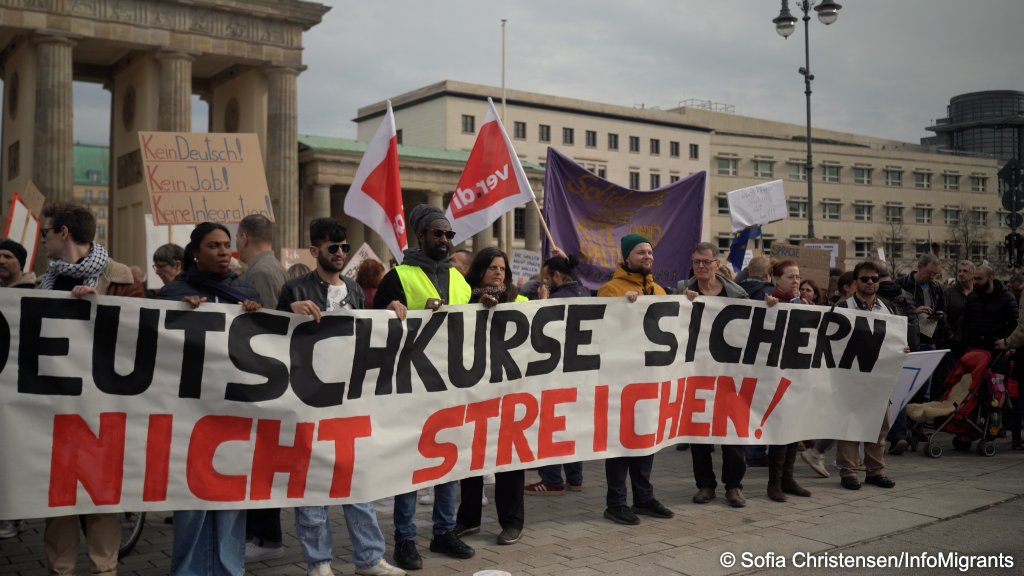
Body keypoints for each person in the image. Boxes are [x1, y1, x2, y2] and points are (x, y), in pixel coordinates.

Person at [277, 218, 406, 576]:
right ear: (315, 250)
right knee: (313, 485)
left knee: (357, 479)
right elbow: (270, 336)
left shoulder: (351, 287)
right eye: (333, 248)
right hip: (308, 400)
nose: (340, 253)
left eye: (344, 247)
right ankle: (318, 562)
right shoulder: (295, 288)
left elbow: (366, 330)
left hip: (349, 401)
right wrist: (287, 313)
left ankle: (369, 557)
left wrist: (389, 312)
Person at [38, 201, 143, 576]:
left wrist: (105, 310)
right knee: (60, 501)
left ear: (63, 232)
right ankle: (60, 570)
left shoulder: (121, 278)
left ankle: (105, 570)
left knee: (101, 499)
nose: (42, 240)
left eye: (45, 233)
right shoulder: (45, 281)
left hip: (103, 407)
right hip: (58, 407)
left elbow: (140, 343)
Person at [373, 204, 475, 571]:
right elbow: (372, 325)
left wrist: (488, 305)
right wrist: (390, 309)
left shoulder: (460, 279)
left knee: (448, 462)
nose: (445, 240)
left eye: (449, 234)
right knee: (411, 465)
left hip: (451, 386)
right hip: (412, 387)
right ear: (421, 236)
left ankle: (444, 531)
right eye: (438, 233)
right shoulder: (397, 276)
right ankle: (405, 538)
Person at [158, 222, 262, 576]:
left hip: (234, 414)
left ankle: (230, 569)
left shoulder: (245, 291)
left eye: (226, 245)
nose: (222, 252)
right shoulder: (174, 293)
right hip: (190, 416)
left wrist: (255, 313)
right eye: (213, 245)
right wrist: (178, 312)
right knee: (192, 501)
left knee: (232, 500)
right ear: (196, 251)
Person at [597, 233, 674, 525]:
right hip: (621, 383)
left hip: (651, 380)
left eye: (650, 253)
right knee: (621, 443)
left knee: (646, 439)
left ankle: (643, 498)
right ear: (627, 257)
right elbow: (603, 333)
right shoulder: (610, 290)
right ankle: (615, 503)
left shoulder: (660, 291)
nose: (647, 257)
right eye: (641, 252)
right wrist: (624, 311)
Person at [454, 247, 526, 546]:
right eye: (493, 267)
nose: (499, 272)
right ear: (480, 270)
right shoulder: (465, 299)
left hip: (508, 390)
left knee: (509, 458)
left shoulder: (520, 301)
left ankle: (512, 522)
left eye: (502, 268)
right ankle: (468, 520)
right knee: (470, 455)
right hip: (474, 390)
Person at [681, 243, 749, 508]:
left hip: (730, 374)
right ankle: (705, 485)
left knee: (732, 432)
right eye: (696, 262)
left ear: (716, 264)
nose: (700, 266)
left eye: (705, 262)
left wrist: (771, 304)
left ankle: (733, 486)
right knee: (699, 434)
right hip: (696, 374)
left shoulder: (737, 294)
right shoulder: (682, 292)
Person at [525, 252, 589, 494]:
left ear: (557, 276)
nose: (543, 283)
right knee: (571, 424)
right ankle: (575, 477)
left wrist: (541, 303)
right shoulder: (583, 292)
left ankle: (551, 479)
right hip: (578, 372)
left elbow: (542, 335)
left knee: (551, 426)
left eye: (546, 278)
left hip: (554, 372)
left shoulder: (556, 299)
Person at [835, 261, 897, 491]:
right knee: (850, 425)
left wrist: (901, 348)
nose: (870, 282)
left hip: (879, 378)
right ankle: (849, 471)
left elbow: (893, 338)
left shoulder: (886, 308)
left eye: (874, 278)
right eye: (865, 279)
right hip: (851, 377)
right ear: (856, 282)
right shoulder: (843, 307)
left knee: (879, 427)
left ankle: (875, 471)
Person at [763, 260, 812, 502]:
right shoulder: (768, 301)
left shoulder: (803, 303)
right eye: (790, 277)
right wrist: (769, 307)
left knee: (794, 428)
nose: (796, 281)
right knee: (780, 430)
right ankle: (774, 483)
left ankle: (788, 478)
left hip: (797, 373)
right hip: (774, 375)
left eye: (798, 276)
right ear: (776, 279)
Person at [0, 238, 34, 539]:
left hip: (22, 384)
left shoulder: (36, 293)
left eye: (7, 255)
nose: (0, 260)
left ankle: (14, 514)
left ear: (20, 262)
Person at [237, 214, 289, 309]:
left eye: (237, 237)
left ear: (244, 239)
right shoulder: (277, 267)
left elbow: (267, 318)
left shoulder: (260, 273)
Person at [963, 265, 1018, 351]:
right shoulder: (972, 298)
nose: (975, 282)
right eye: (975, 278)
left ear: (990, 279)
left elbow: (1014, 324)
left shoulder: (1007, 297)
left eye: (979, 279)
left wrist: (1007, 342)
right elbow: (966, 322)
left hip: (998, 347)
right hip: (975, 347)